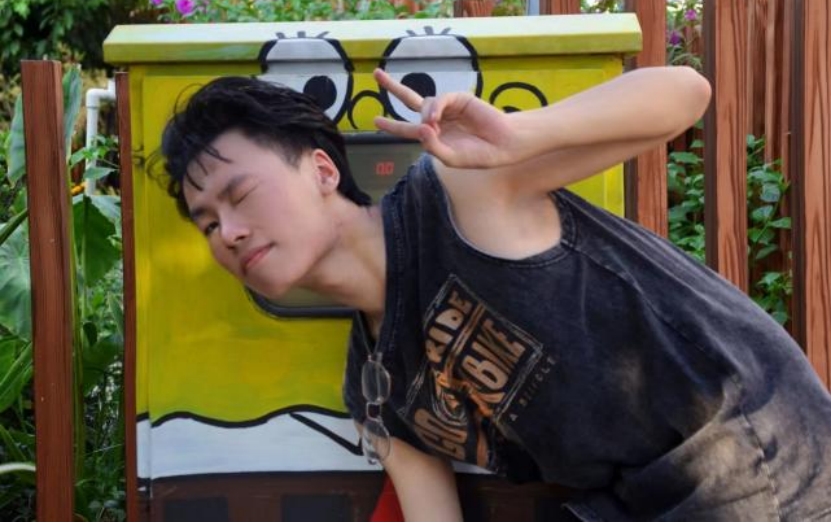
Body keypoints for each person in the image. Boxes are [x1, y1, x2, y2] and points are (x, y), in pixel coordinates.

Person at [159, 67, 831, 521]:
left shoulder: (455, 195)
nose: (229, 233)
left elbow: (684, 92)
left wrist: (518, 136)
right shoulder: (374, 389)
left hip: (765, 463)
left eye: (240, 195)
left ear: (323, 170)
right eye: (208, 223)